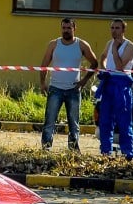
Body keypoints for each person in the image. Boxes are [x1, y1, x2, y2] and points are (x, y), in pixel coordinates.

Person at [39, 18, 98, 152]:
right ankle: (45, 148)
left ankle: (73, 149)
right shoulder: (53, 45)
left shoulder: (81, 45)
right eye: (63, 28)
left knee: (74, 123)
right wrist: (42, 83)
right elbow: (44, 65)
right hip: (55, 89)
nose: (66, 30)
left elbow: (94, 64)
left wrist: (84, 81)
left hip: (73, 90)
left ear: (74, 29)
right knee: (49, 121)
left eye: (68, 28)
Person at [96, 18, 133, 158]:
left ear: (123, 30)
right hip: (109, 83)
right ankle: (105, 151)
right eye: (112, 28)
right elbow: (102, 57)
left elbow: (120, 66)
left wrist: (114, 48)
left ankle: (128, 152)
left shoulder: (130, 46)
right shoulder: (109, 43)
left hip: (122, 85)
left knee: (124, 121)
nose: (114, 31)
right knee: (105, 120)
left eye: (117, 28)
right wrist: (104, 69)